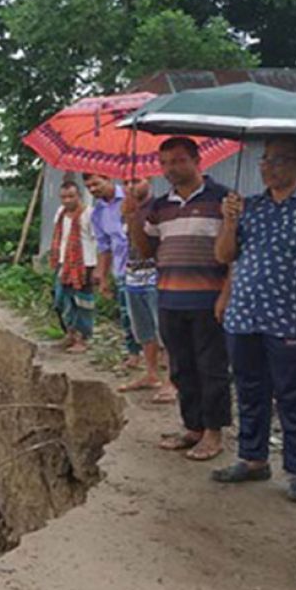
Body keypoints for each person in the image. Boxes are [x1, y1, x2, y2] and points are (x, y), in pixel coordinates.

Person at [210, 135, 296, 503]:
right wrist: (228, 221)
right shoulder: (249, 207)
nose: (269, 167)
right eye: (265, 160)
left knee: (293, 395)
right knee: (250, 391)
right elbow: (226, 257)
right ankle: (253, 459)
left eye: (280, 160)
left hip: (290, 318)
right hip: (244, 315)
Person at [125, 137, 231, 462]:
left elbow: (234, 254)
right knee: (182, 369)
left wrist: (226, 295)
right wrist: (132, 218)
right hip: (170, 298)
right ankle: (193, 428)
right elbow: (147, 251)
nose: (171, 168)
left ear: (197, 160)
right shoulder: (159, 206)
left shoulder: (224, 199)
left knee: (211, 369)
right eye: (165, 162)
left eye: (179, 160)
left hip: (209, 300)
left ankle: (214, 434)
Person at [118, 176, 177, 403]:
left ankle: (172, 380)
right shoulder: (127, 209)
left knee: (165, 331)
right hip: (133, 276)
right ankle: (151, 374)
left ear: (149, 180)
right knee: (143, 330)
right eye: (126, 182)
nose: (130, 186)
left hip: (156, 276)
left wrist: (136, 218)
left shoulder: (160, 207)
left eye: (136, 180)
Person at [82, 173, 142, 369]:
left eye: (96, 184)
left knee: (149, 313)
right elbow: (104, 246)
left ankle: (158, 355)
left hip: (144, 266)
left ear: (109, 179)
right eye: (89, 186)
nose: (93, 189)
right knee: (126, 313)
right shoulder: (97, 212)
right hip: (121, 268)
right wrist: (102, 275)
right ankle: (133, 354)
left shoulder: (130, 198)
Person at [50, 179, 98, 353]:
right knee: (61, 300)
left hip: (84, 264)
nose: (67, 200)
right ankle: (70, 334)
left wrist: (97, 269)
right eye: (63, 197)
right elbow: (59, 237)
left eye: (71, 196)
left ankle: (83, 339)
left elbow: (97, 241)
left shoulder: (89, 214)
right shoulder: (60, 213)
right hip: (64, 264)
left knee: (83, 303)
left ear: (78, 195)